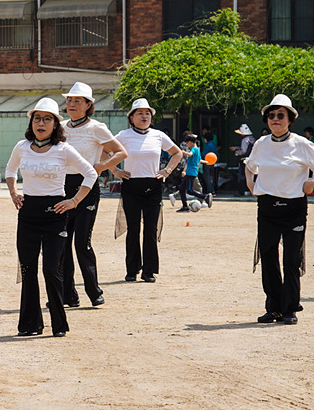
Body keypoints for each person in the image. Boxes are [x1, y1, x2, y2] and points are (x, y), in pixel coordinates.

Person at [6, 98, 98, 337]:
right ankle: (29, 324)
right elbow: (9, 170)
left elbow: (90, 173)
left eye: (47, 119)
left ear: (56, 124)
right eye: (37, 118)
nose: (41, 123)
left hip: (55, 215)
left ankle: (59, 324)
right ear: (31, 122)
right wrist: (14, 193)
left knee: (51, 269)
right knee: (28, 270)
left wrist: (74, 201)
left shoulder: (63, 149)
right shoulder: (21, 146)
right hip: (28, 214)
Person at [246, 94, 314, 325]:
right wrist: (251, 184)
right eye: (271, 115)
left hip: (294, 208)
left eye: (280, 115)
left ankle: (289, 309)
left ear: (290, 119)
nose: (275, 119)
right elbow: (249, 166)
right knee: (268, 258)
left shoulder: (302, 144)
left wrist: (311, 183)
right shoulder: (261, 144)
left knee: (291, 259)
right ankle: (273, 307)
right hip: (267, 208)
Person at [59, 82, 127, 308]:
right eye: (69, 100)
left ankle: (93, 291)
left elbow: (120, 152)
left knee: (81, 243)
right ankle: (68, 295)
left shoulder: (96, 128)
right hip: (60, 186)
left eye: (78, 101)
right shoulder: (59, 127)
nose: (72, 104)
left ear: (89, 105)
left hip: (86, 186)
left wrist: (103, 166)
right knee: (61, 242)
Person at [113, 99, 183, 283]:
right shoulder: (123, 135)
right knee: (133, 229)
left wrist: (166, 171)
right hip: (131, 186)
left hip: (153, 186)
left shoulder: (158, 135)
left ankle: (149, 271)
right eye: (139, 113)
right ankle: (132, 269)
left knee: (151, 229)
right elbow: (105, 151)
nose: (144, 116)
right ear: (131, 117)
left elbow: (177, 153)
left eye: (147, 113)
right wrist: (116, 170)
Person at [176, 132, 211, 212]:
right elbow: (199, 160)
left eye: (187, 144)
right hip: (190, 172)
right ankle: (185, 206)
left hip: (191, 172)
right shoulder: (198, 150)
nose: (187, 145)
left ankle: (205, 197)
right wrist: (206, 162)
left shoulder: (193, 149)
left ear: (190, 142)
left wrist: (184, 152)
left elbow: (191, 154)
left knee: (190, 190)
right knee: (182, 189)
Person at [231, 124, 256, 196]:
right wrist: (236, 148)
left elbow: (243, 151)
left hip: (244, 160)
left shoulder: (245, 140)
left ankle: (241, 191)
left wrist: (237, 152)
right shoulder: (252, 139)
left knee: (242, 176)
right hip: (251, 160)